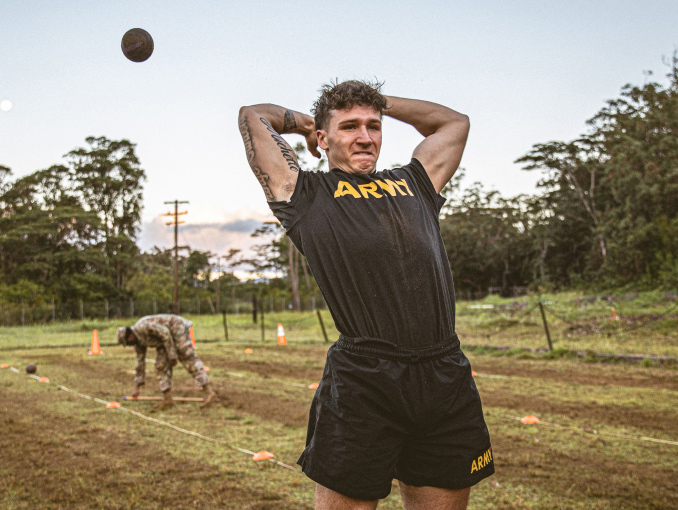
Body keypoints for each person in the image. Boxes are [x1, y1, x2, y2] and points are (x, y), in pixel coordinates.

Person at [238, 80, 493, 509]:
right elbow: (252, 116)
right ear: (323, 138)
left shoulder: (416, 181)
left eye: (373, 126)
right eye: (350, 126)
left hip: (443, 375)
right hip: (363, 382)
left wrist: (378, 104)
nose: (365, 137)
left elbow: (454, 123)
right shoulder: (306, 195)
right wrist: (307, 123)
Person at [117, 314, 216, 410]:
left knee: (187, 356)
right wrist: (137, 387)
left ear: (130, 336)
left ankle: (209, 392)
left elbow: (165, 333)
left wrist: (172, 356)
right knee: (160, 366)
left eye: (127, 343)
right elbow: (140, 364)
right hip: (164, 341)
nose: (129, 345)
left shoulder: (143, 326)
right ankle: (168, 399)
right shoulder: (138, 343)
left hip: (176, 328)